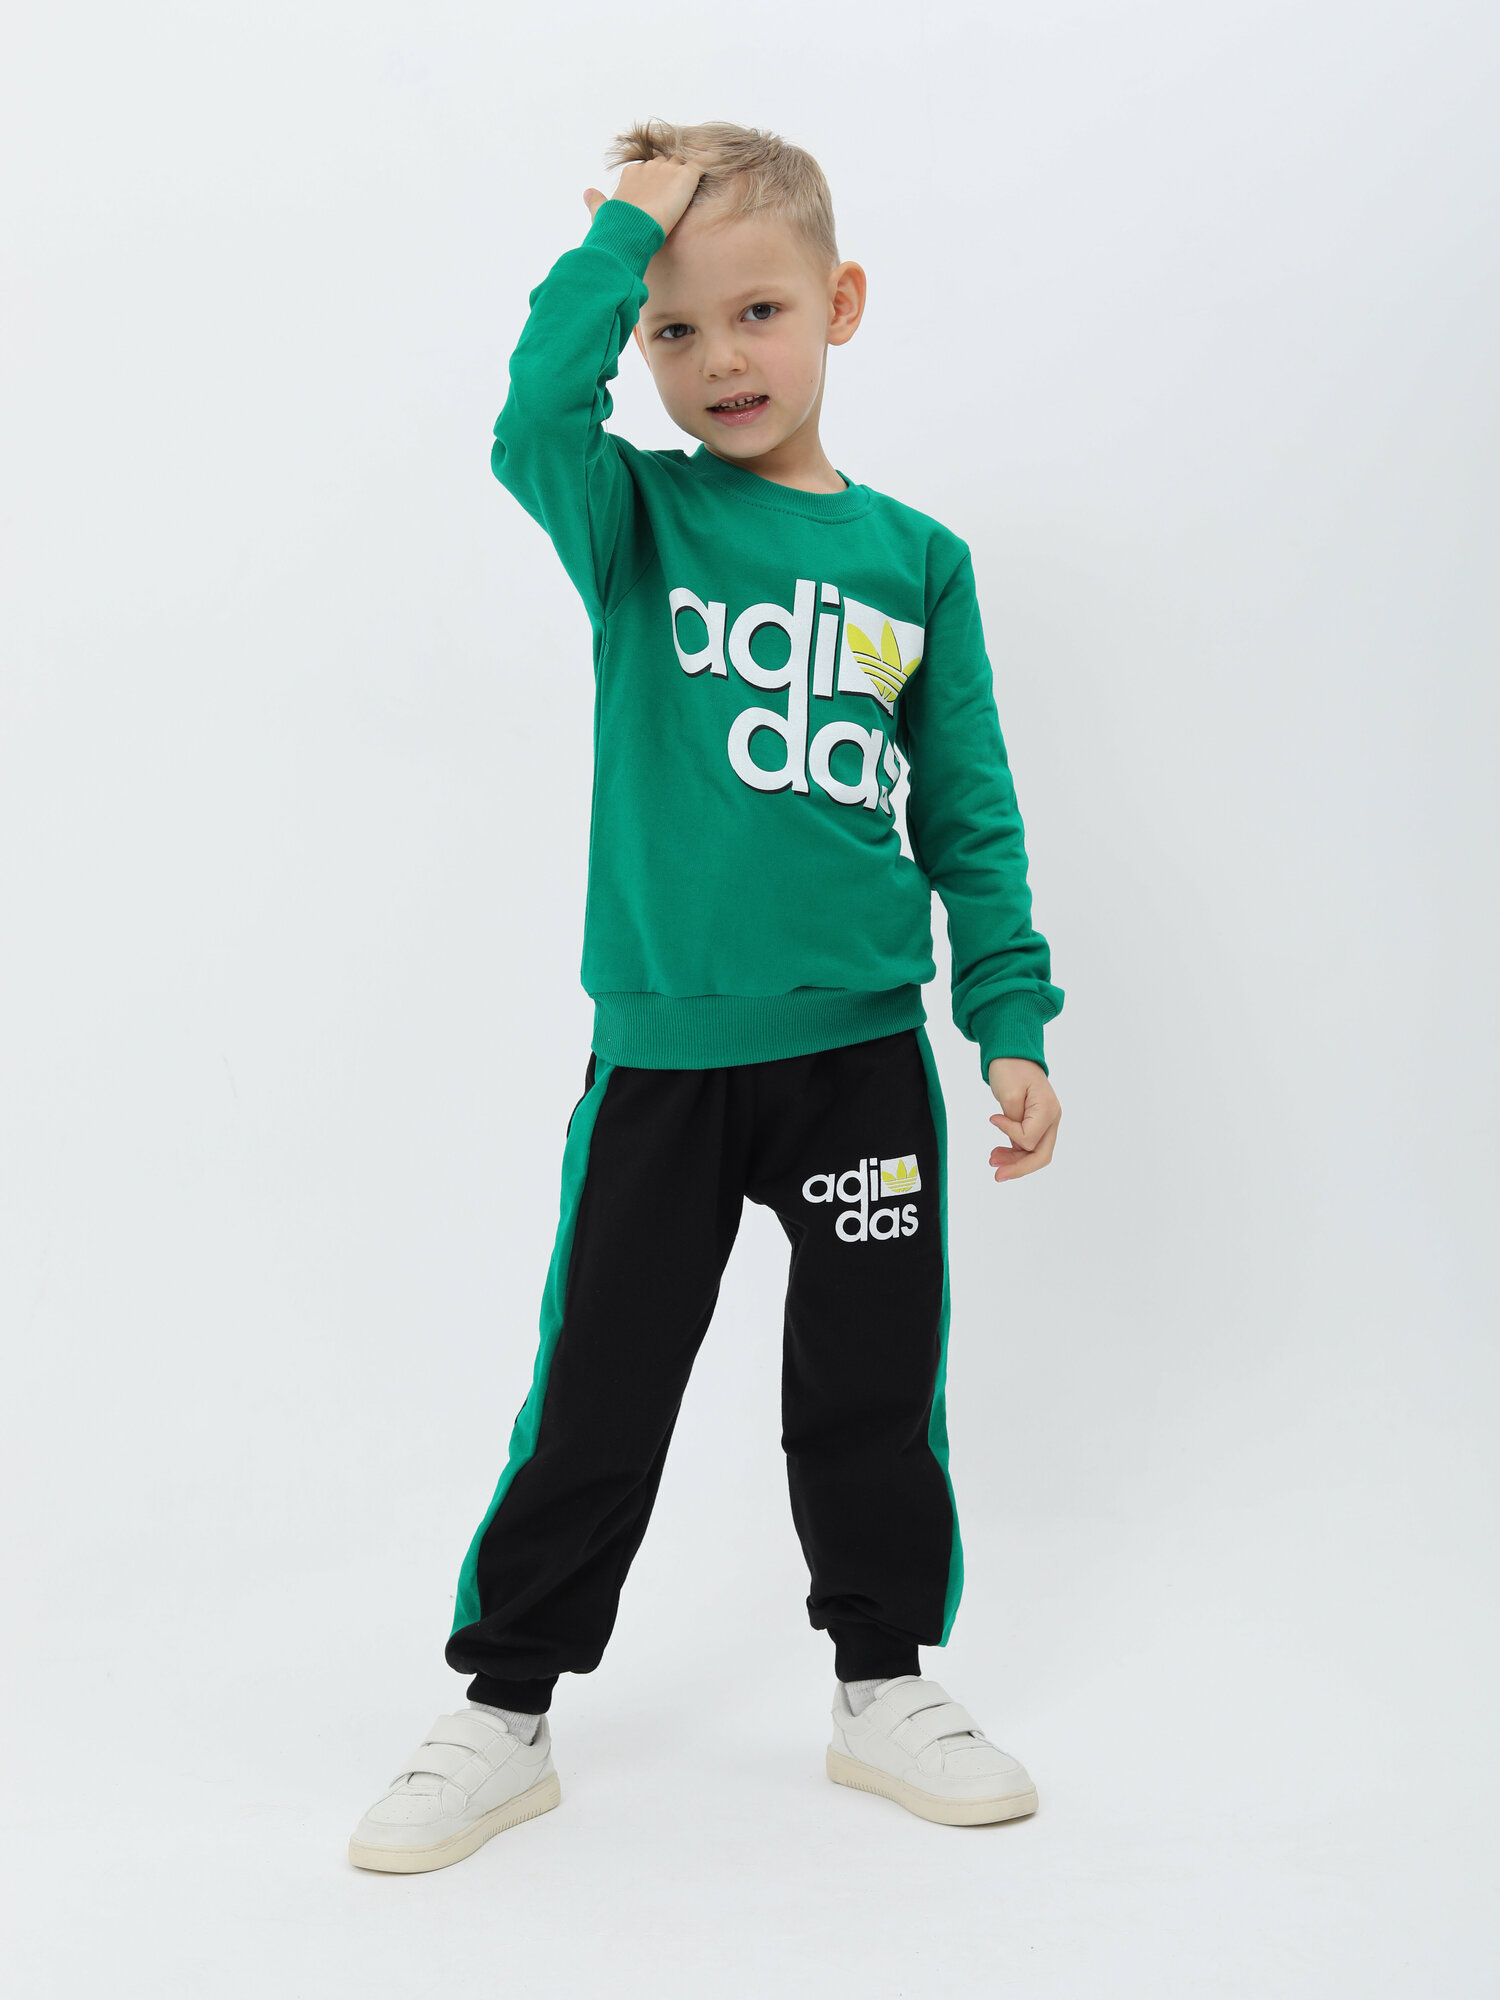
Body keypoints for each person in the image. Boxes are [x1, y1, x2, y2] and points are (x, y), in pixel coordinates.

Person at [348, 119, 1064, 1874]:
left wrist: (1009, 1021)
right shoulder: (634, 522)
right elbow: (532, 415)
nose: (719, 360)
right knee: (601, 1390)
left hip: (860, 1062)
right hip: (665, 1064)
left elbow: (968, 809)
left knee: (872, 1391)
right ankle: (505, 1705)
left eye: (757, 313)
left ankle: (883, 1683)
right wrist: (625, 231)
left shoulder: (916, 561)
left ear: (841, 303)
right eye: (674, 329)